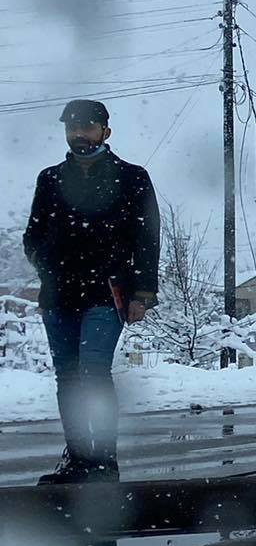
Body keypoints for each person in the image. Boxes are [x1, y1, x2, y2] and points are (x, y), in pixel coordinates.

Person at [21, 99, 160, 482]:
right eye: (72, 128)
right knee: (67, 376)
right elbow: (32, 234)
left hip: (107, 291)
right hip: (59, 294)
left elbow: (147, 238)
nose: (79, 134)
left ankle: (104, 461)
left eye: (88, 127)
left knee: (93, 372)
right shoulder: (49, 178)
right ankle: (79, 459)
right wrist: (46, 265)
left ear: (105, 132)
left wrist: (142, 293)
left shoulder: (131, 177)